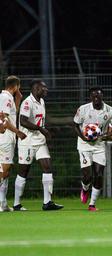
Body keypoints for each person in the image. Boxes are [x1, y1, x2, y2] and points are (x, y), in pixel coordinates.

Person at [13, 79, 63, 211]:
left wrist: (47, 130)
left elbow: (41, 121)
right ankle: (17, 203)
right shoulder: (27, 103)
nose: (46, 90)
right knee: (23, 171)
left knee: (47, 168)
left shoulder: (42, 101)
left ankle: (47, 202)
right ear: (36, 89)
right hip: (27, 143)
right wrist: (40, 129)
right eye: (43, 88)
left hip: (40, 142)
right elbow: (23, 121)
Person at [74, 87, 112, 211]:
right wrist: (84, 138)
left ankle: (92, 204)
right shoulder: (83, 109)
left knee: (99, 174)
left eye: (98, 96)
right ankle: (85, 188)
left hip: (99, 145)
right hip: (84, 145)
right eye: (93, 96)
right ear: (90, 97)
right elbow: (75, 125)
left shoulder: (110, 110)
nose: (96, 98)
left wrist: (108, 135)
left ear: (102, 97)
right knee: (87, 176)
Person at [0, 75, 26, 212]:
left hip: (6, 138)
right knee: (4, 171)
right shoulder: (5, 97)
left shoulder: (8, 98)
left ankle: (3, 204)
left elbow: (11, 114)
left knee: (5, 171)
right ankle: (2, 203)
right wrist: (18, 132)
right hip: (4, 139)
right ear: (15, 86)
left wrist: (18, 98)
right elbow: (3, 119)